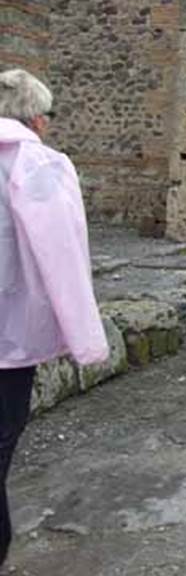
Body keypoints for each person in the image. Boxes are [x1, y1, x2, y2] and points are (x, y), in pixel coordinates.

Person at [0, 69, 109, 567]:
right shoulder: (40, 165)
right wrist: (86, 340)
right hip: (9, 340)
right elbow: (63, 255)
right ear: (38, 119)